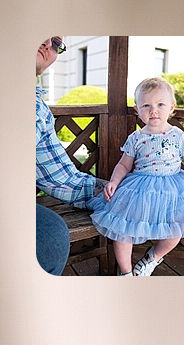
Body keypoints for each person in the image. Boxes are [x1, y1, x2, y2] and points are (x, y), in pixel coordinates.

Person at [91, 76, 184, 276]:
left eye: (160, 104)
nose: (153, 110)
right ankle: (126, 272)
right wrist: (114, 181)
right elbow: (124, 164)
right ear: (137, 110)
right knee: (122, 230)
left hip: (173, 188)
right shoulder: (136, 138)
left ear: (171, 107)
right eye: (146, 105)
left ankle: (151, 258)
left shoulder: (177, 135)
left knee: (177, 228)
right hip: (139, 189)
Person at [35, 35, 105, 275]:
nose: (46, 44)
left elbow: (60, 177)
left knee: (52, 235)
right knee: (50, 236)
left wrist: (107, 189)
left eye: (56, 42)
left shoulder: (37, 107)